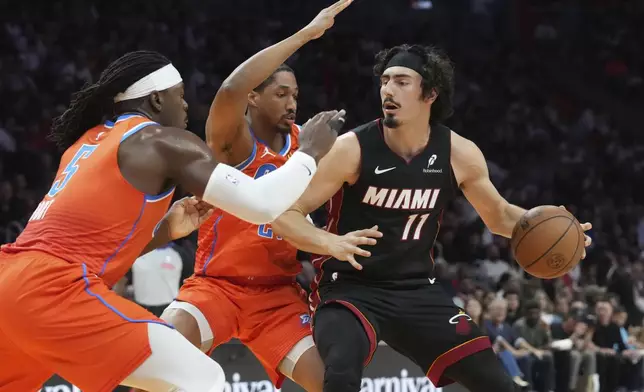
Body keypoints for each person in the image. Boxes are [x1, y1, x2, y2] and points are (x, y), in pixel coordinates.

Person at [0, 50, 344, 392]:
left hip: (10, 278)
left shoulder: (84, 144)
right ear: (155, 99)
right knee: (202, 379)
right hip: (54, 289)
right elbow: (261, 204)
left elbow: (95, 242)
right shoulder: (162, 141)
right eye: (178, 96)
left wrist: (165, 229)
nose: (185, 106)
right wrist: (310, 152)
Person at [271, 44, 593, 392]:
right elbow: (286, 214)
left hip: (416, 290)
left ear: (431, 93)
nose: (388, 89)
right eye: (385, 80)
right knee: (340, 373)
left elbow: (499, 216)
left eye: (402, 81)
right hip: (349, 289)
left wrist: (564, 229)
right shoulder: (351, 148)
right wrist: (329, 241)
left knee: (497, 382)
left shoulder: (458, 153)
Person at [159, 2, 366, 390]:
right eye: (281, 93)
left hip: (277, 295)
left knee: (337, 383)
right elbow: (230, 89)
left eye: (295, 95)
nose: (292, 103)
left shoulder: (309, 142)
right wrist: (306, 34)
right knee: (155, 356)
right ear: (254, 98)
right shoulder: (232, 142)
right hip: (216, 285)